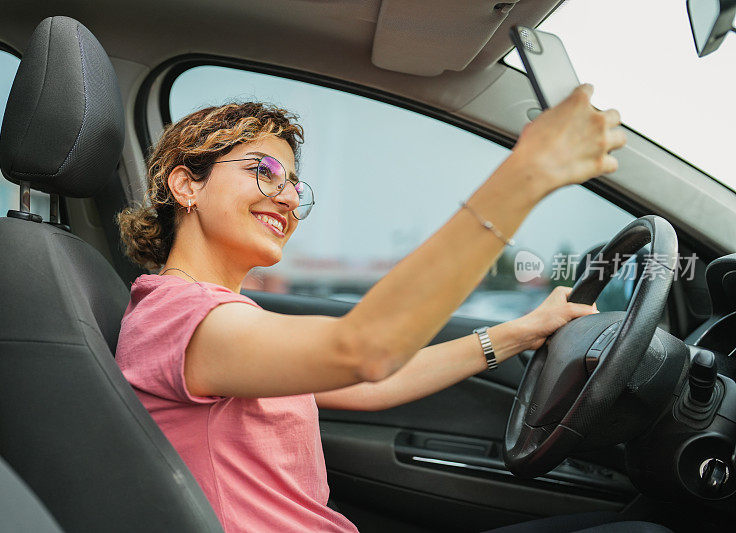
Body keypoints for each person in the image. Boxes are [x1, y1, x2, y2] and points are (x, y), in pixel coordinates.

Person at [115, 86, 625, 533]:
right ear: (186, 186)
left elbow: (374, 382)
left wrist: (521, 331)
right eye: (265, 171)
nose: (289, 199)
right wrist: (527, 174)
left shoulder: (221, 316)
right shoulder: (177, 317)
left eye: (294, 184)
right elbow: (364, 350)